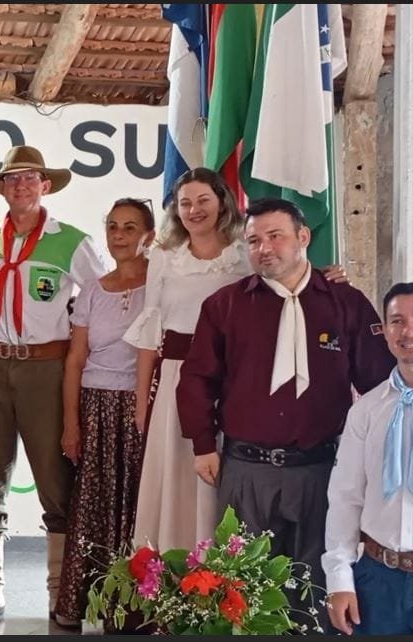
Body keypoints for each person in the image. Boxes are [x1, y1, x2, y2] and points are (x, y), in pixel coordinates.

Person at [177, 198, 394, 629]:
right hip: (245, 469)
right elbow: (198, 377)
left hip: (321, 469)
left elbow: (379, 384)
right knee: (243, 588)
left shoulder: (345, 303)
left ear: (303, 237)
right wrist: (203, 444)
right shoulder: (225, 305)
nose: (263, 248)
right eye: (253, 240)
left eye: (275, 236)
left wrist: (379, 457)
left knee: (316, 586)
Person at [0, 145, 105, 623]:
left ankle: (60, 590)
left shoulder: (72, 241)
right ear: (1, 188)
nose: (21, 186)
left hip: (47, 368)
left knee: (54, 478)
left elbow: (104, 295)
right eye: (12, 179)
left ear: (46, 185)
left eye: (30, 178)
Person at [121, 167, 251, 553]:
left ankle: (223, 571)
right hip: (176, 380)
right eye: (185, 203)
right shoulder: (163, 255)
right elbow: (150, 331)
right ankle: (172, 570)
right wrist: (142, 402)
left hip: (232, 379)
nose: (194, 210)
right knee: (175, 473)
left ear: (222, 202)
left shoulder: (245, 251)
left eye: (203, 200)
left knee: (222, 468)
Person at [54, 198, 155, 631]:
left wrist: (142, 410)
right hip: (95, 405)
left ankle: (139, 607)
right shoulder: (93, 289)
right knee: (92, 508)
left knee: (139, 505)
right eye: (113, 227)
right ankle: (86, 602)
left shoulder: (162, 284)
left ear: (149, 235)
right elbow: (75, 360)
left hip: (142, 407)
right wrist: (71, 424)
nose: (119, 235)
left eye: (130, 227)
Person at [323, 282, 413, 635]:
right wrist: (339, 578)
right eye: (397, 321)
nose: (407, 332)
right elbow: (345, 497)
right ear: (384, 331)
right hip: (378, 577)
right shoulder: (366, 410)